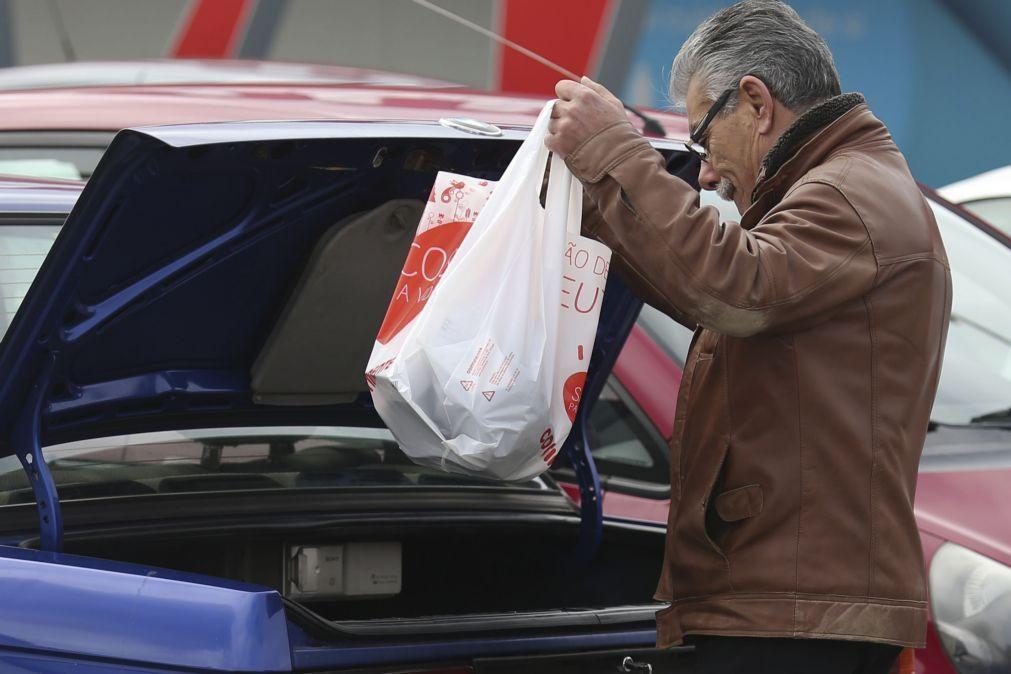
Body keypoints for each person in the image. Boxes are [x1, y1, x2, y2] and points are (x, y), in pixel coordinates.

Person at [544, 1, 951, 672]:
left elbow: (732, 288)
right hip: (788, 605)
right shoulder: (847, 186)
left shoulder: (845, 193)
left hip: (795, 616)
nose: (704, 173)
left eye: (704, 139)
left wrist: (613, 150)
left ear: (756, 103)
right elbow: (706, 293)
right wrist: (596, 201)